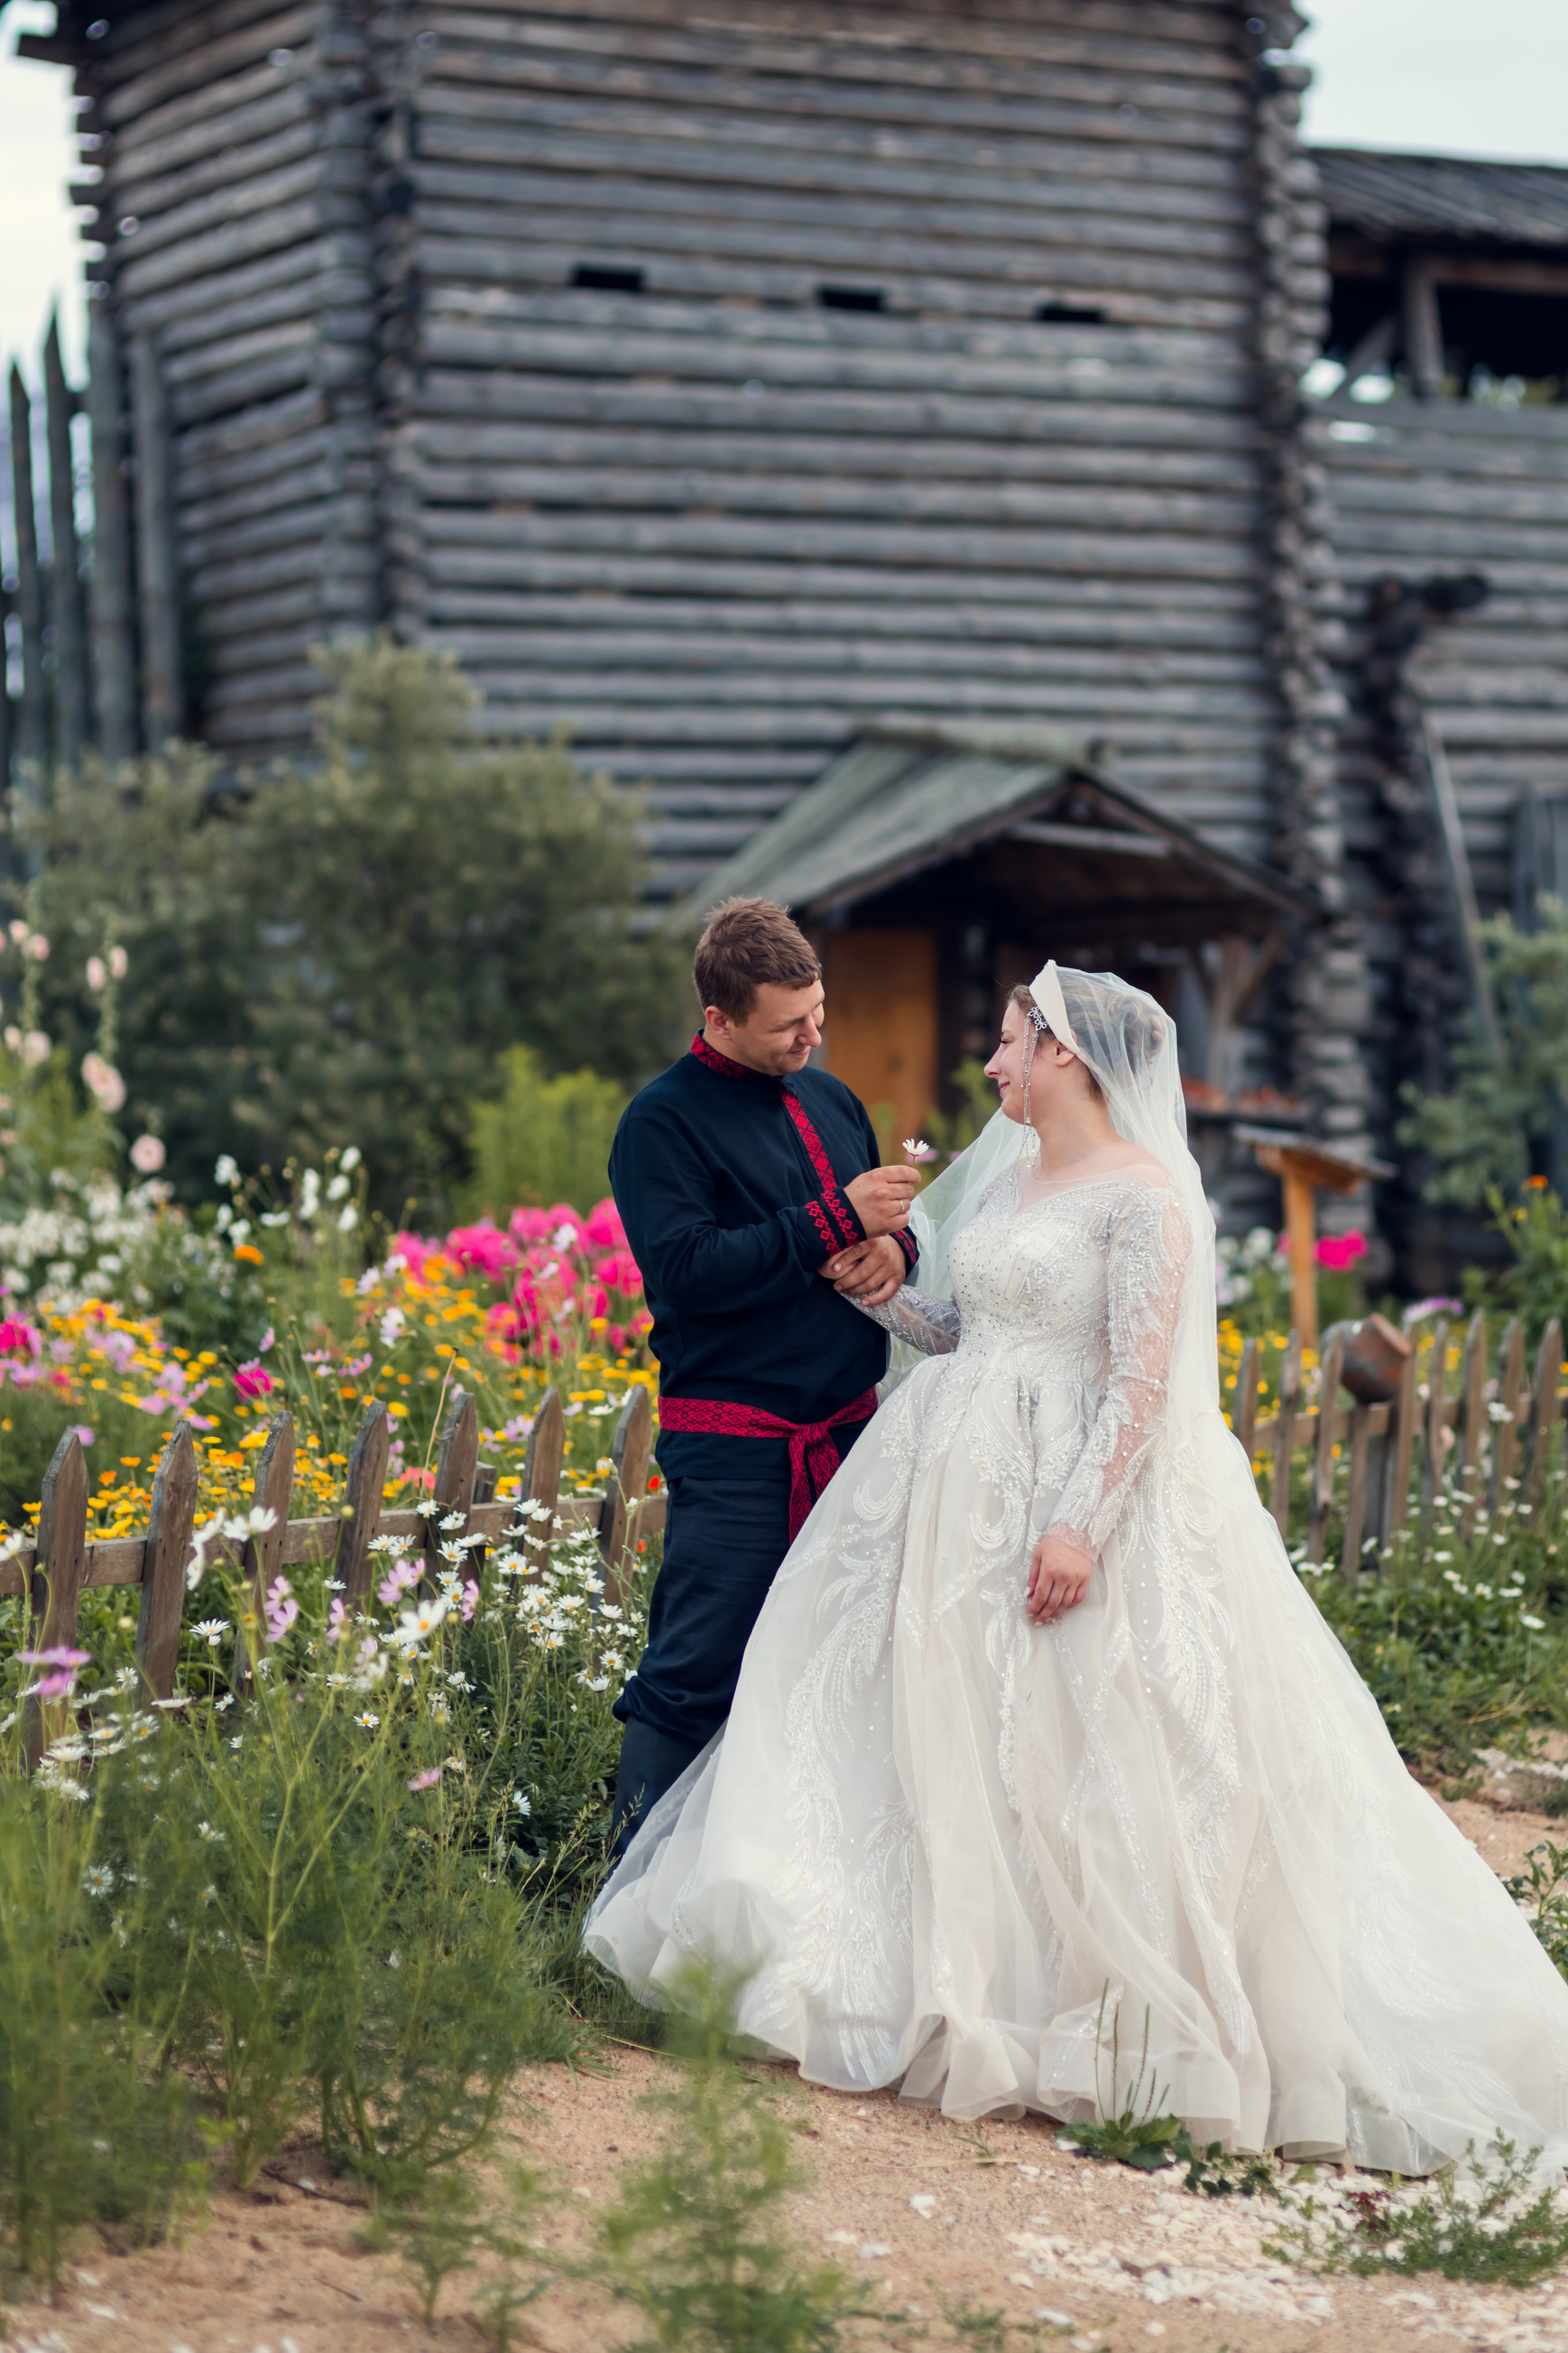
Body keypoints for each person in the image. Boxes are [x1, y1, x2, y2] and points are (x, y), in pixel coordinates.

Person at [589, 961, 1568, 2172]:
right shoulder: (1006, 1186)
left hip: (1060, 1491)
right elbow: (965, 1329)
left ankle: (1086, 2010)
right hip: (942, 1480)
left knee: (1071, 1738)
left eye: (1007, 1044)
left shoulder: (1144, 1197)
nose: (992, 1067)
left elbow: (1139, 1382)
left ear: (1062, 1054)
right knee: (925, 1726)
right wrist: (886, 1290)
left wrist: (1075, 1526)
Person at [606, 896, 922, 1845]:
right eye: (788, 1023)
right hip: (736, 1444)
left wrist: (896, 1250)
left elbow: (870, 1235)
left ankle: (792, 1873)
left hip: (850, 1430)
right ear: (719, 1017)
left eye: (817, 1011)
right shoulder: (660, 1123)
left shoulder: (833, 1102)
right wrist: (839, 1220)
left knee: (840, 1657)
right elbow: (689, 1273)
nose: (812, 1035)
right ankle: (620, 1889)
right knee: (698, 1663)